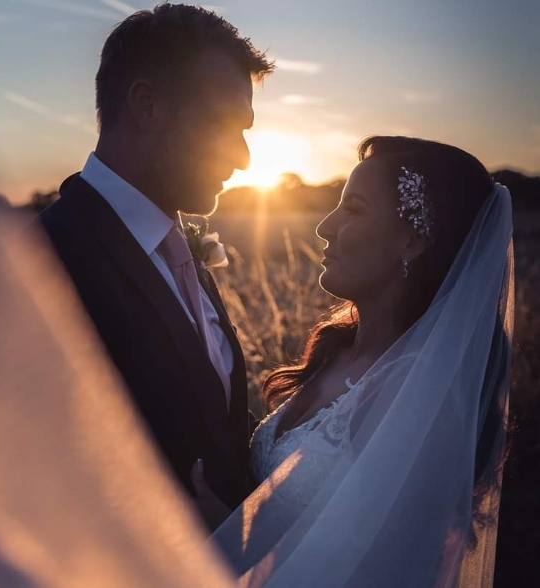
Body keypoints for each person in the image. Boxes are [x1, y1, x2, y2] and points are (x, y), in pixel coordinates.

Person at [203, 136, 515, 588]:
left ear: (410, 240)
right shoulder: (336, 350)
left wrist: (216, 525)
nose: (324, 227)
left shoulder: (419, 399)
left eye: (353, 209)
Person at [34, 3, 274, 523]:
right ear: (147, 106)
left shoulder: (180, 249)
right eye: (225, 125)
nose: (243, 157)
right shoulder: (44, 268)